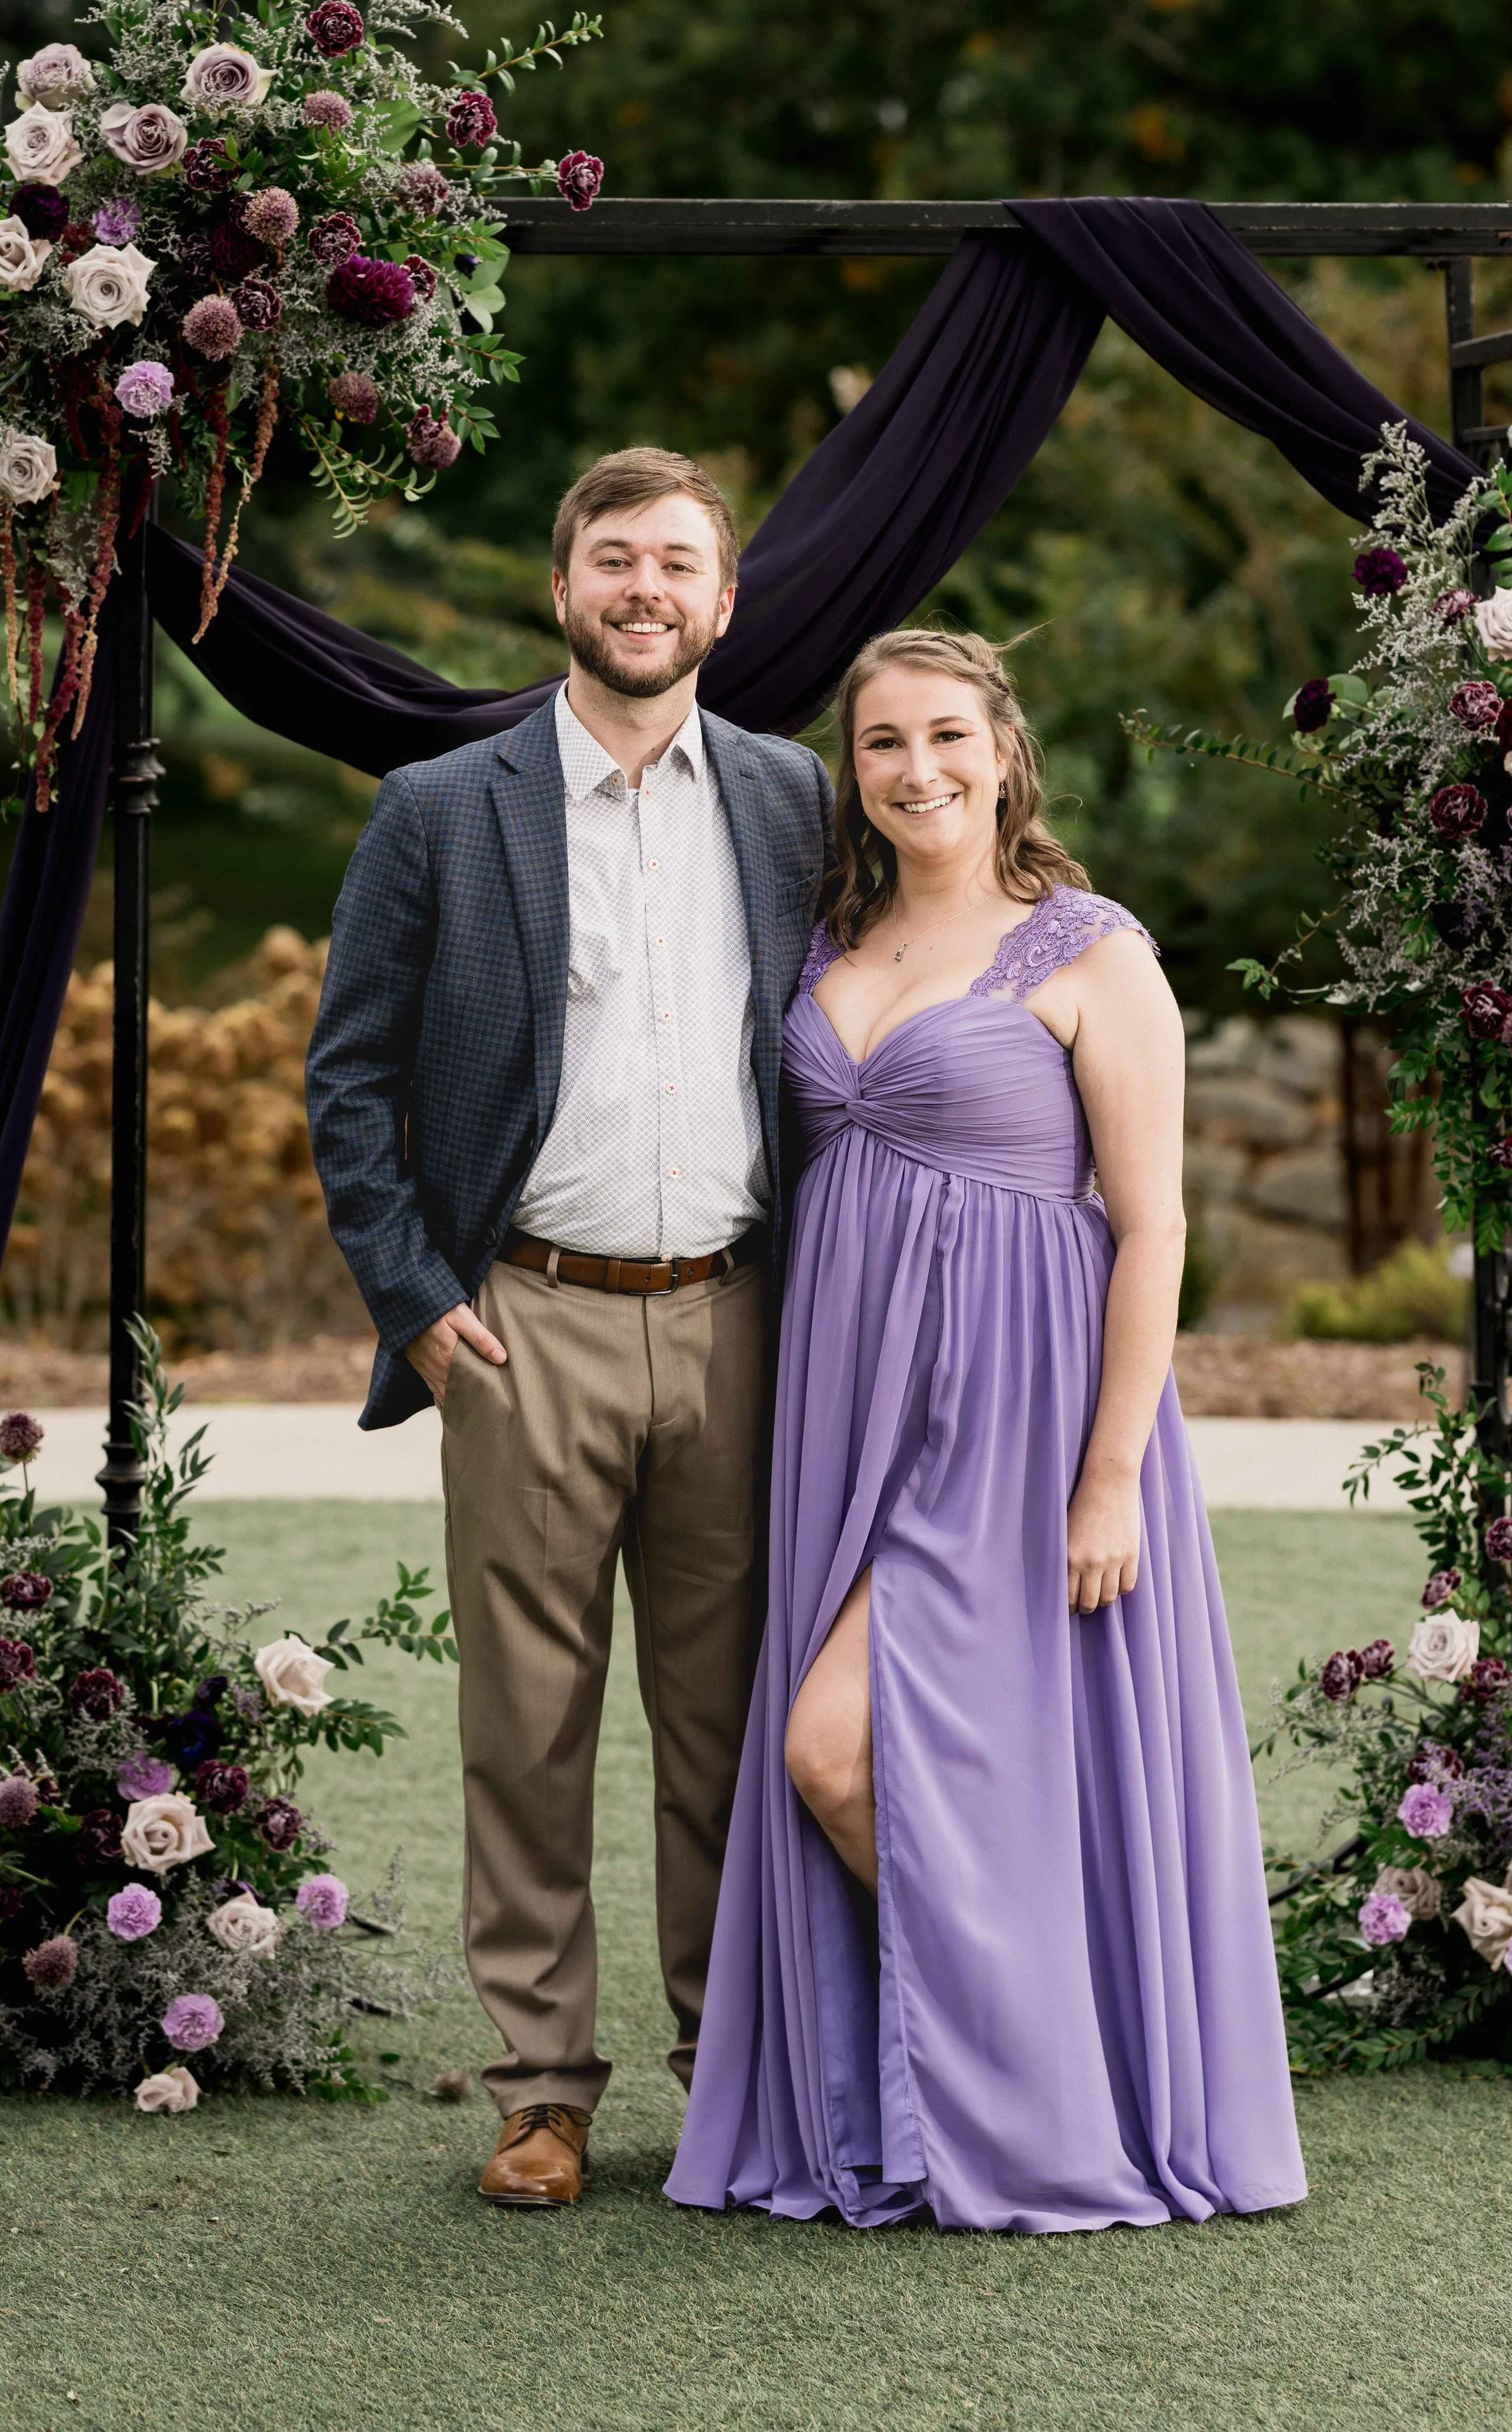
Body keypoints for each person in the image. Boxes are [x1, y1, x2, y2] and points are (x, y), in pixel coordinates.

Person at [666, 628, 1305, 2232]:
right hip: (845, 1408)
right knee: (911, 1757)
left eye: (945, 735)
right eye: (880, 744)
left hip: (1019, 1414)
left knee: (835, 1748)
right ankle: (989, 2063)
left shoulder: (1087, 950)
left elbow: (1149, 1229)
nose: (916, 769)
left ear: (1004, 753)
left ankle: (1035, 2073)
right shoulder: (826, 936)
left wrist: (1107, 1478)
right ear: (853, 772)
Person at [305, 447, 831, 2210]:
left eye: (676, 562)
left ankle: (731, 2072)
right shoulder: (439, 810)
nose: (643, 589)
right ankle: (540, 2093)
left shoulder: (786, 801)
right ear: (561, 590)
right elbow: (350, 1080)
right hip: (523, 1319)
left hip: (739, 1320)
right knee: (525, 1725)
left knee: (726, 1723)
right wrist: (418, 1301)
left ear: (722, 602)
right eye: (613, 558)